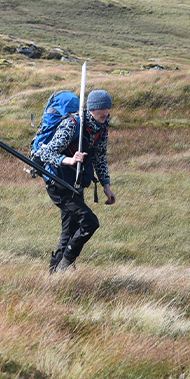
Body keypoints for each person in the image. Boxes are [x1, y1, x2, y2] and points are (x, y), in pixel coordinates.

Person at [34, 89, 117, 273]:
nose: (106, 113)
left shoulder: (102, 127)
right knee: (89, 222)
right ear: (92, 108)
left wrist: (106, 186)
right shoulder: (73, 124)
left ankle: (55, 275)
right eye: (103, 109)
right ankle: (67, 264)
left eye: (108, 109)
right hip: (58, 182)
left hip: (77, 184)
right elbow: (44, 153)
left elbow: (100, 157)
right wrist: (69, 160)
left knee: (69, 231)